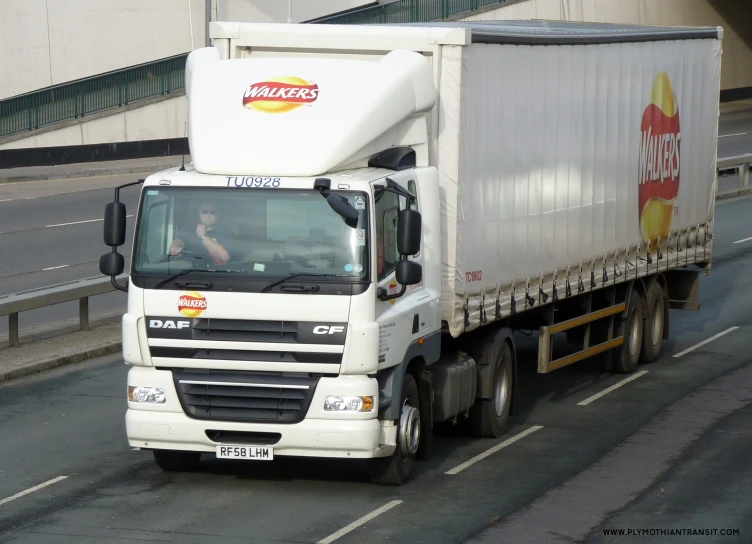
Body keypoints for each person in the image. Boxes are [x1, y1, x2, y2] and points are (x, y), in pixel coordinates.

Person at [169, 200, 233, 264]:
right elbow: (179, 240)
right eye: (204, 211)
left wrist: (203, 236)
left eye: (213, 212)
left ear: (218, 214)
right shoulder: (190, 227)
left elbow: (224, 258)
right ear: (199, 212)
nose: (208, 214)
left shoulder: (226, 230)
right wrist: (175, 247)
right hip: (189, 270)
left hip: (215, 271)